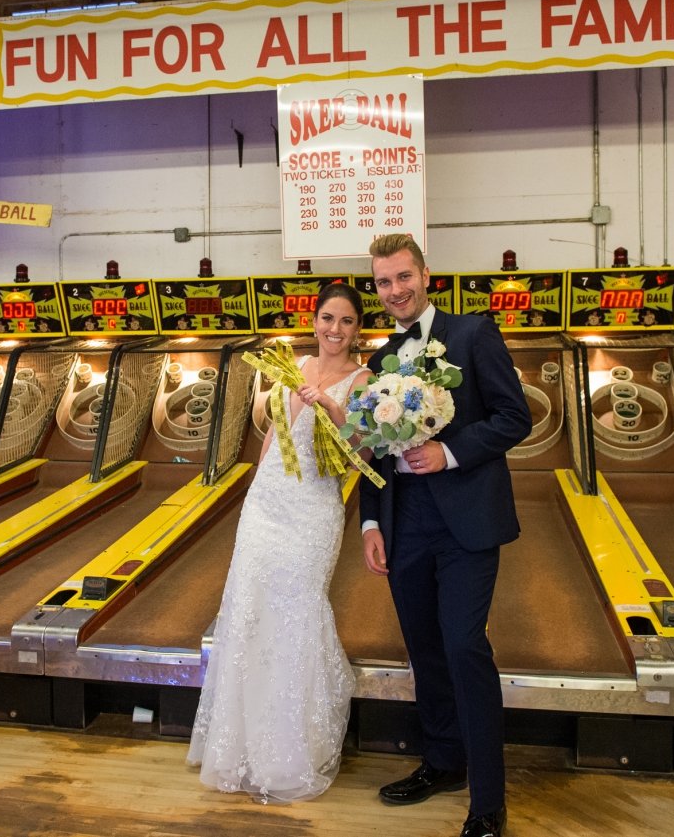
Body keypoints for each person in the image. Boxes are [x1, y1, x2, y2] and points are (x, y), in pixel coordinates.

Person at [361, 236, 531, 837]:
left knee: (464, 647)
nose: (395, 290)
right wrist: (372, 522)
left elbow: (515, 417)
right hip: (406, 523)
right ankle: (442, 761)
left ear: (425, 274)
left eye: (403, 276)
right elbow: (372, 449)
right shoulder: (381, 358)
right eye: (383, 282)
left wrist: (451, 452)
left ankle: (488, 800)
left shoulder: (472, 334)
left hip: (467, 523)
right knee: (425, 649)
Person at [188, 282, 371, 802]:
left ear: (358, 329)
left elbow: (359, 448)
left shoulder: (364, 380)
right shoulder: (294, 366)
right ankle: (239, 747)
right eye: (327, 318)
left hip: (314, 509)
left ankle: (291, 750)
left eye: (346, 321)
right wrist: (254, 492)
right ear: (314, 320)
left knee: (297, 613)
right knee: (251, 613)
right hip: (267, 504)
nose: (334, 330)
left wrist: (334, 411)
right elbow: (274, 432)